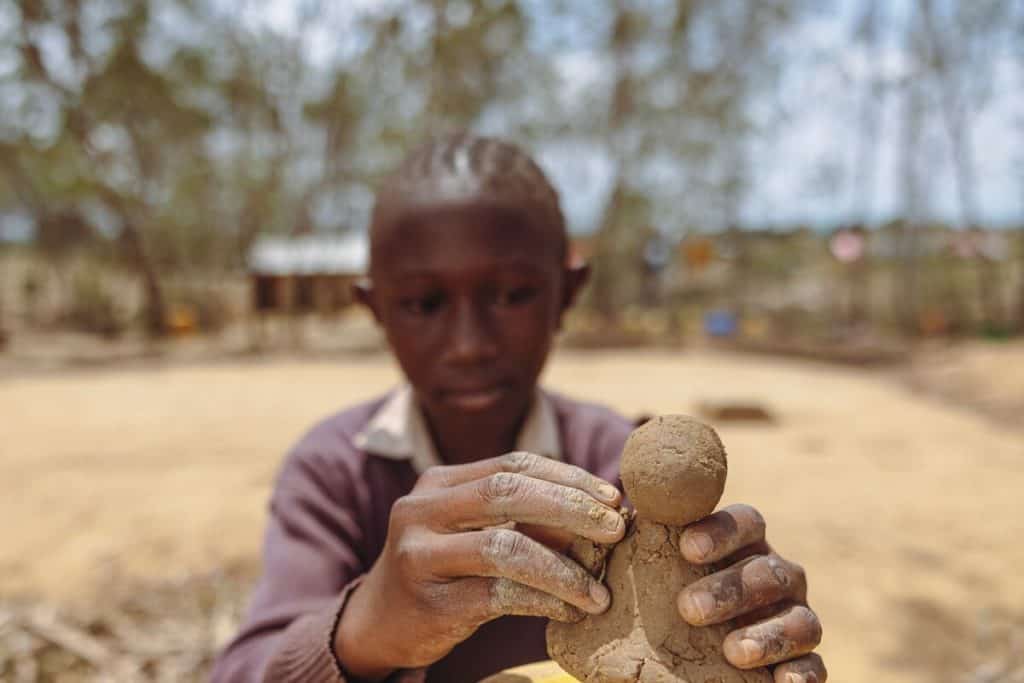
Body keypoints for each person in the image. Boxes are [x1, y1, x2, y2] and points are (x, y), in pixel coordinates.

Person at [210, 134, 826, 683]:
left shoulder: (618, 471)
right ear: (376, 312)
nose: (470, 343)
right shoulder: (335, 473)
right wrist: (362, 626)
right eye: (424, 304)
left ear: (568, 295)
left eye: (512, 294)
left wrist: (748, 625)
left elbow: (706, 636)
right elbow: (242, 670)